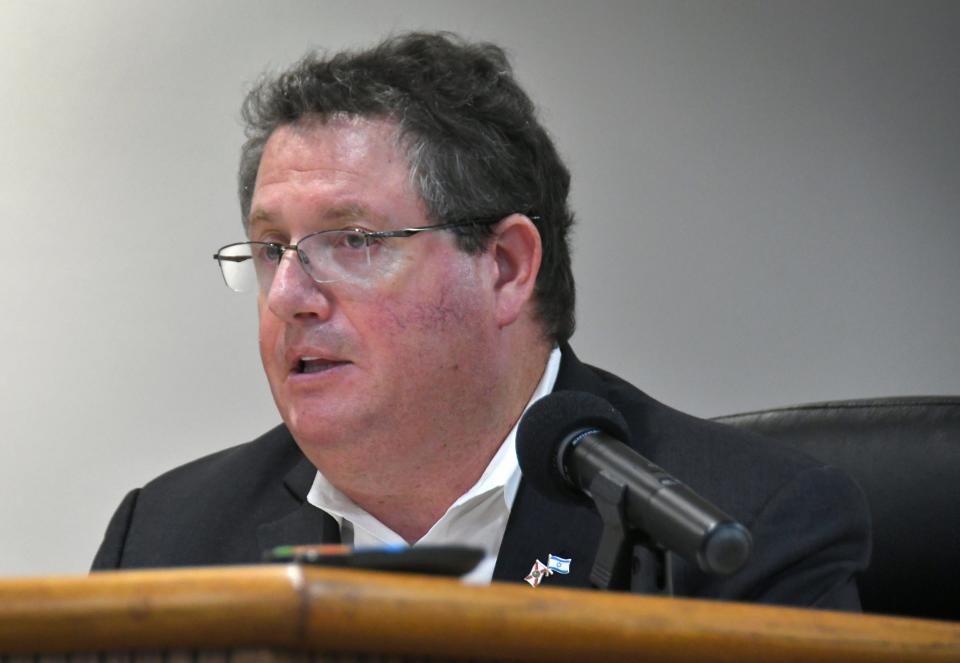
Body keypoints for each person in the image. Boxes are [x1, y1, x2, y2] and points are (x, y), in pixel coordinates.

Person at [92, 32, 869, 608]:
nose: (289, 293)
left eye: (354, 240)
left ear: (504, 268)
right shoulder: (165, 540)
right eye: (270, 248)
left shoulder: (740, 531)